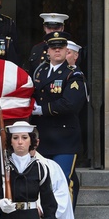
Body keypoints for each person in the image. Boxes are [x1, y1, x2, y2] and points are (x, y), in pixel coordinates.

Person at [31, 31, 86, 204]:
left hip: (64, 139)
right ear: (47, 50)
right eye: (53, 47)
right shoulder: (40, 72)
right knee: (43, 182)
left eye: (61, 48)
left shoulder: (73, 74)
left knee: (62, 181)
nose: (57, 51)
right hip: (43, 137)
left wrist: (42, 110)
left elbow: (70, 103)